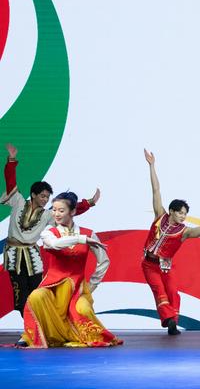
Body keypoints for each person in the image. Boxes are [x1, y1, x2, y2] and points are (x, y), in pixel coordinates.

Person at [2, 143, 98, 315]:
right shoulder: (17, 201)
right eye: (43, 196)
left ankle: (36, 329)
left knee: (37, 292)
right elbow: (10, 183)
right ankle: (30, 330)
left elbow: (67, 211)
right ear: (33, 194)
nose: (46, 200)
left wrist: (88, 203)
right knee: (20, 293)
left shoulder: (47, 215)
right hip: (14, 254)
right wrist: (11, 160)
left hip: (32, 256)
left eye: (48, 197)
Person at [141, 149, 200, 335]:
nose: (183, 216)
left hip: (165, 266)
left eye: (185, 213)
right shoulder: (159, 216)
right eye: (180, 212)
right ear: (172, 211)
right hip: (149, 264)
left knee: (173, 293)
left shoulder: (184, 232)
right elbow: (156, 189)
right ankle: (169, 321)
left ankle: (172, 321)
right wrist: (152, 166)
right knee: (160, 292)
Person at [19, 192, 121, 348]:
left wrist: (91, 285)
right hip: (52, 288)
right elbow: (53, 245)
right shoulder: (49, 232)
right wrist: (81, 239)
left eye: (61, 210)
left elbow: (104, 261)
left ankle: (77, 334)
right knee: (36, 296)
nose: (56, 214)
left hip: (77, 289)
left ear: (72, 212)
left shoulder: (89, 233)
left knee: (83, 309)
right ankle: (30, 336)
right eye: (53, 210)